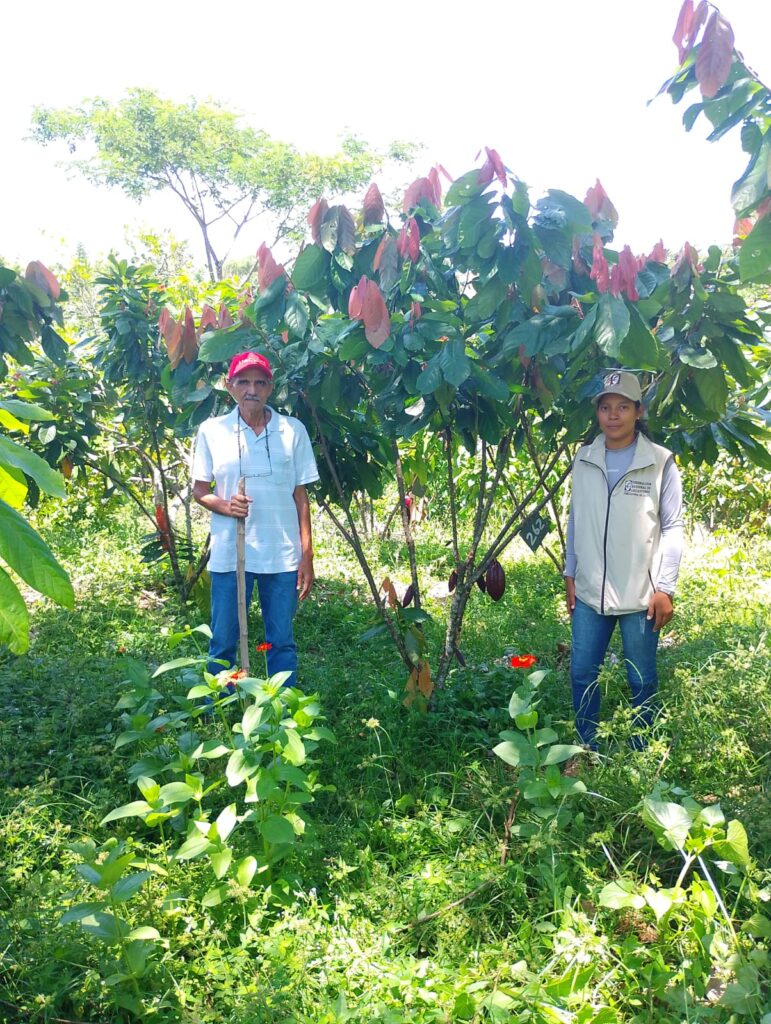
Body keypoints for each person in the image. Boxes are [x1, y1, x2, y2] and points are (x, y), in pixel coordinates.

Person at [564, 370, 684, 749]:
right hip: (589, 594)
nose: (612, 415)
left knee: (641, 678)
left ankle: (642, 749)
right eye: (605, 407)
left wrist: (664, 587)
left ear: (638, 411)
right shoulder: (584, 459)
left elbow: (673, 527)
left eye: (622, 407)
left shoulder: (660, 463)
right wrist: (570, 571)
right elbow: (575, 519)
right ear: (597, 413)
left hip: (640, 596)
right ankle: (586, 747)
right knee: (582, 673)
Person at [191, 351, 319, 685]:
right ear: (229, 386)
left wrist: (306, 555)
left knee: (281, 640)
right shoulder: (212, 431)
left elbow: (300, 496)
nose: (252, 389)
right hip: (231, 556)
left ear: (270, 387)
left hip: (282, 554)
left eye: (260, 382)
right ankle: (219, 705)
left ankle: (283, 709)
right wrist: (226, 506)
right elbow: (200, 490)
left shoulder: (292, 431)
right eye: (244, 381)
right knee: (223, 641)